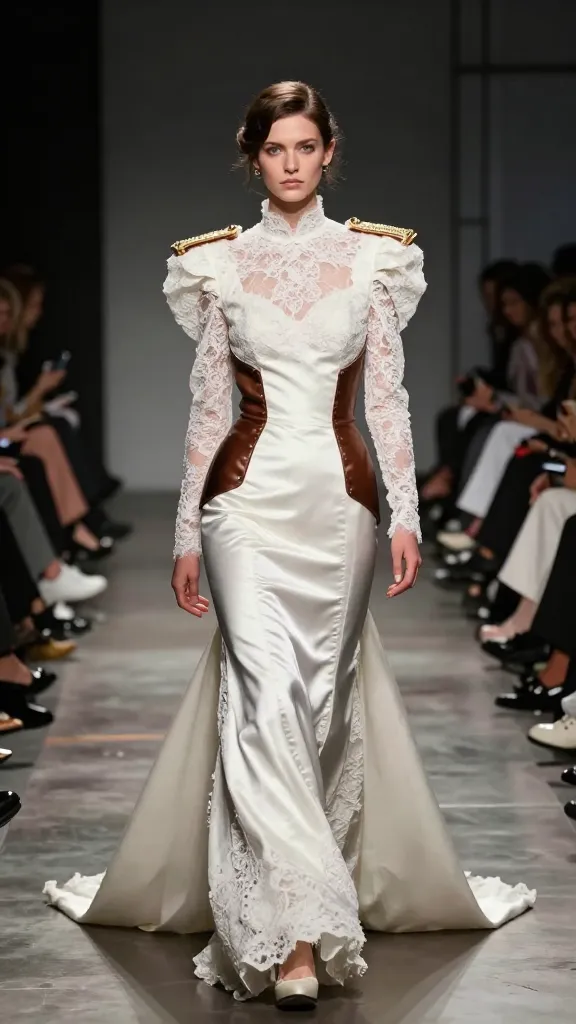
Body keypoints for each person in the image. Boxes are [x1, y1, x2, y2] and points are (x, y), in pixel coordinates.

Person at [43, 81, 535, 1009]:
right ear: (254, 158)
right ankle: (298, 936)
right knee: (265, 695)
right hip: (244, 504)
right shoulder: (214, 267)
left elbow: (384, 399)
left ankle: (298, 904)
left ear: (329, 153)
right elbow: (206, 412)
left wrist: (403, 516)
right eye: (277, 150)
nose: (294, 163)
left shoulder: (376, 262)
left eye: (308, 146)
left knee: (318, 708)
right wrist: (188, 528)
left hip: (340, 504)